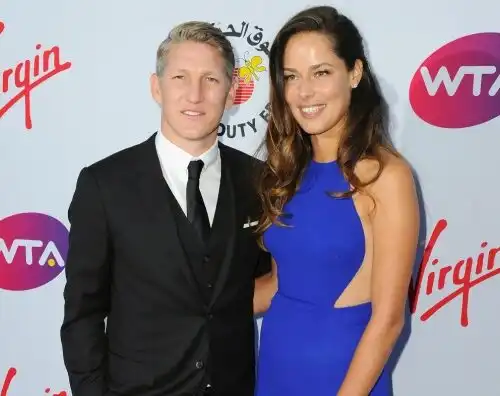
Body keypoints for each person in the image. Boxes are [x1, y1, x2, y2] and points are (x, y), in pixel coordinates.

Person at [60, 21, 271, 396]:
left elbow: (267, 280)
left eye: (210, 79)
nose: (195, 95)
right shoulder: (104, 185)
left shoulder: (258, 181)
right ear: (156, 87)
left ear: (232, 91)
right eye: (179, 77)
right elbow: (83, 315)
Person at [253, 5, 419, 396]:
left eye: (321, 73)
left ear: (355, 73)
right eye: (291, 77)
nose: (303, 92)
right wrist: (188, 299)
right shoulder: (286, 172)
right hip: (275, 370)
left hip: (343, 380)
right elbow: (279, 285)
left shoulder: (385, 176)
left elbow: (389, 319)